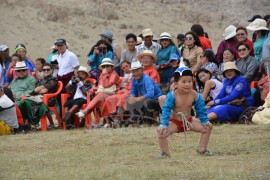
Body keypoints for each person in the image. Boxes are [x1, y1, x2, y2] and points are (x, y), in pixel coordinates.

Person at [157, 63, 213, 158]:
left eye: (189, 81)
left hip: (189, 121)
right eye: (183, 82)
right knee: (161, 132)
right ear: (176, 83)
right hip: (175, 122)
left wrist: (204, 120)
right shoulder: (172, 95)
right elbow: (166, 109)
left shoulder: (194, 94)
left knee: (208, 127)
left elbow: (201, 108)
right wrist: (164, 124)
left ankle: (202, 149)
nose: (187, 84)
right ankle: (165, 153)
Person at [76, 58, 121, 126]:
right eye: (103, 66)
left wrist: (104, 75)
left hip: (114, 93)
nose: (105, 68)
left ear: (111, 67)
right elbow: (99, 86)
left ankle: (85, 112)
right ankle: (108, 122)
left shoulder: (114, 74)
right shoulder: (102, 75)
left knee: (100, 95)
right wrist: (92, 90)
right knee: (100, 98)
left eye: (107, 66)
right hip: (104, 93)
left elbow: (107, 84)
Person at [18, 63, 58, 131]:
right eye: (44, 69)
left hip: (48, 99)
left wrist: (39, 89)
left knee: (31, 103)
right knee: (24, 102)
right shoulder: (41, 79)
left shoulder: (53, 80)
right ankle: (27, 122)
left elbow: (43, 91)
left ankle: (34, 124)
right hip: (38, 98)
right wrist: (41, 88)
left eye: (48, 69)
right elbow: (36, 89)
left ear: (52, 70)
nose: (46, 71)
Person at [126, 61, 162, 125]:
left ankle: (148, 122)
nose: (136, 73)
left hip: (157, 101)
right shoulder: (134, 79)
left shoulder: (146, 79)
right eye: (133, 72)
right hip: (146, 99)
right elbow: (133, 92)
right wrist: (132, 98)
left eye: (137, 71)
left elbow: (150, 94)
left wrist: (137, 99)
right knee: (129, 100)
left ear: (142, 70)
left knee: (146, 101)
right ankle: (136, 121)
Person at [101, 61, 133, 128]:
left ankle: (118, 120)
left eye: (126, 66)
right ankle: (109, 121)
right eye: (123, 67)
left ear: (130, 65)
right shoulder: (123, 76)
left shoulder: (134, 74)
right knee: (108, 99)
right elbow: (104, 85)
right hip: (120, 91)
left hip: (130, 92)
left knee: (121, 99)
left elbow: (109, 84)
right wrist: (104, 75)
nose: (125, 68)